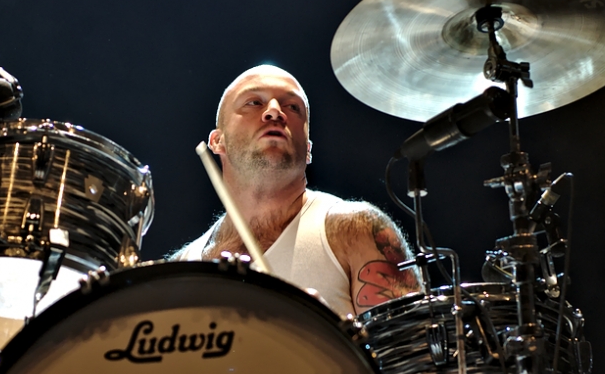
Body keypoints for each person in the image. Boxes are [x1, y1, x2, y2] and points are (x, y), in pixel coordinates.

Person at [173, 64, 421, 317]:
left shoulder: (355, 229)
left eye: (292, 107)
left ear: (309, 149)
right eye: (254, 102)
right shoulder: (181, 268)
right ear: (218, 141)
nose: (274, 111)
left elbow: (408, 341)